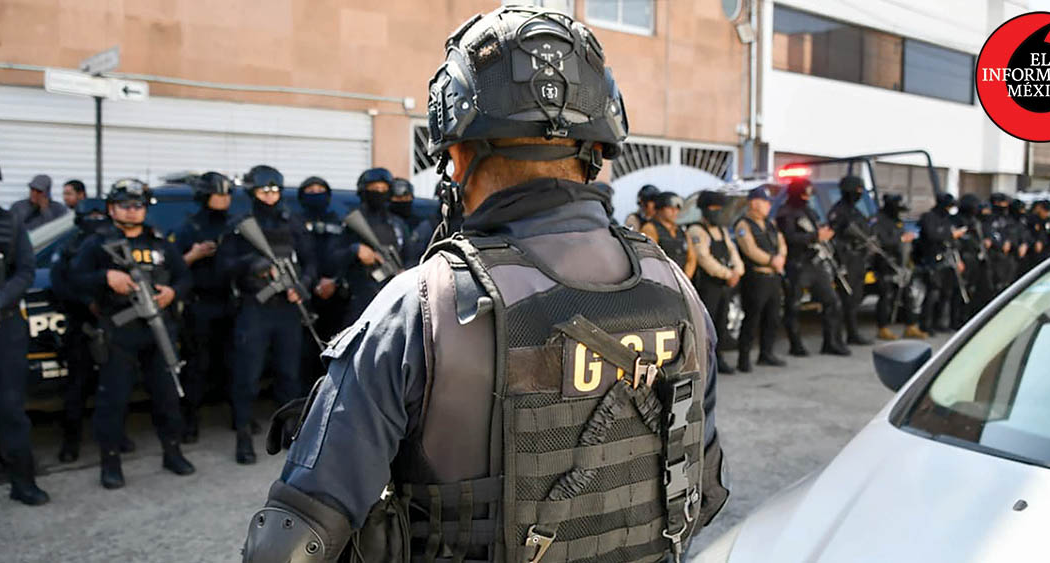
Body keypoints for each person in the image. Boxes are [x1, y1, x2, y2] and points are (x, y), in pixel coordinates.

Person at [243, 7, 728, 561]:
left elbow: (289, 542)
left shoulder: (420, 306)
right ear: (597, 151)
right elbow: (703, 491)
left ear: (457, 154)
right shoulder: (677, 288)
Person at [71, 178, 195, 489]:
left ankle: (172, 452)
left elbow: (184, 277)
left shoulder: (159, 242)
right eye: (124, 205)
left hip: (158, 332)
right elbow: (74, 278)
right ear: (112, 209)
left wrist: (172, 292)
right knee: (113, 401)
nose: (131, 211)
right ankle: (111, 463)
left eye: (137, 205)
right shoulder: (97, 243)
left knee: (167, 397)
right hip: (119, 332)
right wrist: (105, 276)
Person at [217, 165, 316, 465]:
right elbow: (223, 267)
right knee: (247, 377)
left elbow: (311, 262)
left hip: (287, 310)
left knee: (289, 375)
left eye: (274, 190)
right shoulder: (239, 225)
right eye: (263, 191)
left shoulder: (292, 222)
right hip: (255, 309)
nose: (270, 196)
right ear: (252, 192)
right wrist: (252, 264)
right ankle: (243, 435)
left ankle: (289, 434)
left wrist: (302, 285)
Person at [0, 147, 49, 505]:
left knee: (9, 408)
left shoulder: (11, 222)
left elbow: (25, 271)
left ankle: (23, 482)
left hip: (2, 327)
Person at [172, 172, 235, 444]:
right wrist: (194, 255)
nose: (224, 199)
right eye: (218, 194)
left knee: (233, 363)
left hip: (231, 303)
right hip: (200, 306)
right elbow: (172, 268)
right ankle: (190, 420)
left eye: (227, 194)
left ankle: (239, 415)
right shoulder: (190, 227)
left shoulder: (235, 224)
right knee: (197, 365)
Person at [50, 198, 109, 462]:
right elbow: (60, 287)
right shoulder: (68, 249)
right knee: (77, 388)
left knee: (112, 385)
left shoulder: (113, 244)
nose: (96, 221)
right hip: (81, 326)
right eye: (91, 216)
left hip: (112, 324)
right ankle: (70, 442)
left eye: (100, 215)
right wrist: (87, 303)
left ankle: (115, 437)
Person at [777, 178, 849, 356]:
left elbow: (818, 228)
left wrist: (825, 233)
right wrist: (815, 236)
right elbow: (789, 237)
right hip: (796, 264)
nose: (807, 196)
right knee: (793, 306)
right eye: (805, 192)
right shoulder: (785, 212)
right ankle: (796, 345)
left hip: (815, 263)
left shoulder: (809, 210)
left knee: (832, 301)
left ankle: (830, 342)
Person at [334, 167, 407, 324]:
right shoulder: (351, 223)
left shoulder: (397, 224)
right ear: (363, 191)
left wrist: (405, 272)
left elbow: (411, 254)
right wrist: (355, 250)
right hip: (360, 297)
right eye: (374, 188)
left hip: (394, 296)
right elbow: (332, 258)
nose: (379, 193)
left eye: (383, 189)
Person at [292, 176, 347, 384]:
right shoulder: (294, 221)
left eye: (320, 190)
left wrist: (334, 280)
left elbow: (344, 256)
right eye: (310, 191)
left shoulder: (338, 220)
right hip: (302, 294)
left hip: (333, 294)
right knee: (303, 354)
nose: (316, 194)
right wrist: (307, 283)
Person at [689, 190, 745, 374]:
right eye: (713, 208)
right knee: (706, 325)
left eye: (719, 208)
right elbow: (704, 258)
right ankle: (703, 362)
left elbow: (732, 251)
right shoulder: (696, 230)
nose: (717, 212)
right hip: (708, 285)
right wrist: (727, 274)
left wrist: (737, 271)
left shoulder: (721, 230)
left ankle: (718, 359)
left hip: (724, 285)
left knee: (721, 323)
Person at [734, 185, 787, 372]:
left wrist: (780, 257)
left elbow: (781, 243)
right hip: (756, 277)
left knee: (772, 316)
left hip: (773, 276)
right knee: (752, 318)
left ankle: (766, 353)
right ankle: (744, 359)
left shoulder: (770, 223)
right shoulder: (744, 225)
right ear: (754, 203)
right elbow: (750, 249)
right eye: (765, 202)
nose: (768, 206)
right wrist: (771, 260)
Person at [871, 194, 925, 340]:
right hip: (885, 264)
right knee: (886, 297)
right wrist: (900, 239)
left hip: (901, 265)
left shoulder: (896, 220)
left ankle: (911, 326)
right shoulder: (879, 221)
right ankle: (882, 328)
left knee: (908, 296)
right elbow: (881, 241)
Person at [827, 175, 872, 345]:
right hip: (845, 260)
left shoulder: (855, 211)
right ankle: (838, 338)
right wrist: (841, 261)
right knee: (845, 299)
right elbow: (833, 238)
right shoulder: (838, 212)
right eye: (858, 190)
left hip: (858, 258)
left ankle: (853, 333)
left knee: (855, 298)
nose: (860, 193)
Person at [916, 193, 967, 335]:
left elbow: (952, 242)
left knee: (946, 293)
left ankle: (939, 322)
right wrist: (951, 235)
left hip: (947, 260)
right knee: (933, 293)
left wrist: (958, 260)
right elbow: (932, 235)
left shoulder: (947, 219)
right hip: (932, 260)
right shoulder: (929, 217)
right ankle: (925, 324)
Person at [953, 194, 993, 326]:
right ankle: (957, 319)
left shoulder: (975, 221)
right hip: (963, 258)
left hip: (976, 259)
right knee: (961, 291)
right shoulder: (957, 220)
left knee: (975, 290)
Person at [640, 190, 696, 278]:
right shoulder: (650, 228)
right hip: (662, 279)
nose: (674, 211)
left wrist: (685, 278)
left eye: (677, 208)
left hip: (681, 280)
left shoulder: (682, 231)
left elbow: (692, 258)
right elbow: (650, 259)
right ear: (659, 209)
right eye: (670, 208)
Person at [389, 177, 437, 266]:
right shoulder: (384, 223)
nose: (403, 201)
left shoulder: (423, 224)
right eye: (399, 198)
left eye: (407, 198)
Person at [984, 193, 1019, 294]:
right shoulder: (988, 219)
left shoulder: (1008, 219)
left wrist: (1009, 241)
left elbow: (1013, 233)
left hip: (1007, 258)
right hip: (993, 257)